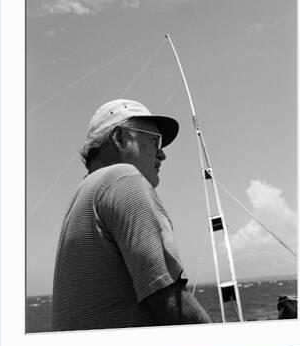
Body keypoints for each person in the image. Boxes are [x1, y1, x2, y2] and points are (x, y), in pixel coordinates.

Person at [52, 99, 211, 331]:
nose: (162, 154)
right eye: (155, 141)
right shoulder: (123, 179)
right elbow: (170, 303)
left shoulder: (83, 196)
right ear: (119, 138)